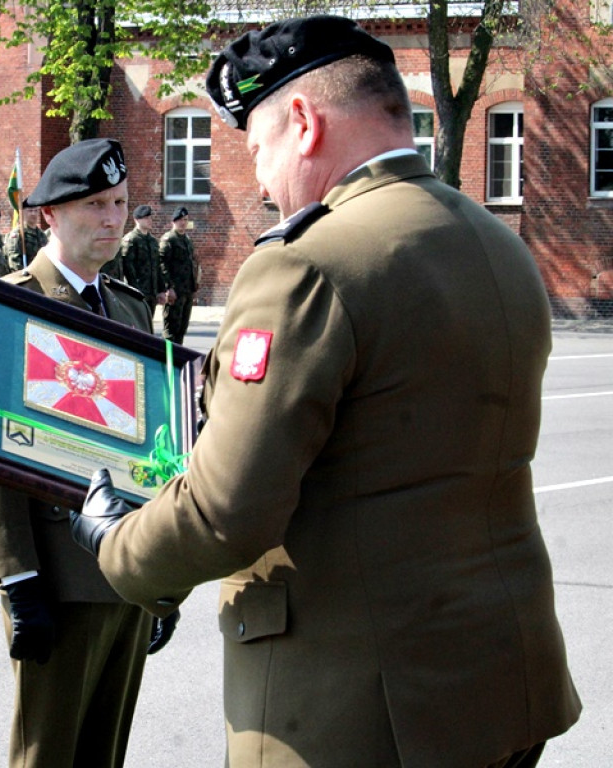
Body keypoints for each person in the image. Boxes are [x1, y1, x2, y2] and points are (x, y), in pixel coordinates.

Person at [69, 16, 581, 768]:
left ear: (303, 123)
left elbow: (224, 513)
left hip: (359, 711)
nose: (267, 183)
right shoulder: (495, 240)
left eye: (260, 151)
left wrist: (118, 548)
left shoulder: (307, 266)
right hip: (503, 682)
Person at [0, 138, 175, 768]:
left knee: (104, 751)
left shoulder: (130, 308)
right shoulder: (11, 301)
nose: (112, 218)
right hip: (56, 570)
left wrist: (163, 574)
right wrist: (17, 575)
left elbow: (158, 452)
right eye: (93, 205)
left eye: (119, 202)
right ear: (48, 215)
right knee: (47, 752)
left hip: (128, 569)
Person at [119, 204, 170, 323]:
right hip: (137, 291)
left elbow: (157, 267)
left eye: (150, 218)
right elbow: (128, 268)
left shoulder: (152, 241)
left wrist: (161, 290)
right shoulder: (131, 240)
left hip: (151, 292)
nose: (150, 221)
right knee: (137, 324)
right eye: (146, 218)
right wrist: (134, 290)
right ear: (137, 219)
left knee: (147, 324)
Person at [159, 206, 196, 344]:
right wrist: (168, 287)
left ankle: (177, 360)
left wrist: (194, 286)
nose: (183, 223)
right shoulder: (169, 239)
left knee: (181, 328)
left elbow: (192, 263)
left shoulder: (187, 240)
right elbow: (162, 264)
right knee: (170, 330)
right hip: (175, 291)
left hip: (187, 291)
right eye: (180, 220)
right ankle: (166, 360)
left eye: (185, 220)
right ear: (173, 221)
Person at [3, 204, 48, 272]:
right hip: (25, 275)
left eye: (36, 211)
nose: (33, 214)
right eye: (30, 211)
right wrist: (22, 275)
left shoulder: (42, 235)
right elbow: (13, 259)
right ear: (23, 213)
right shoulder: (18, 233)